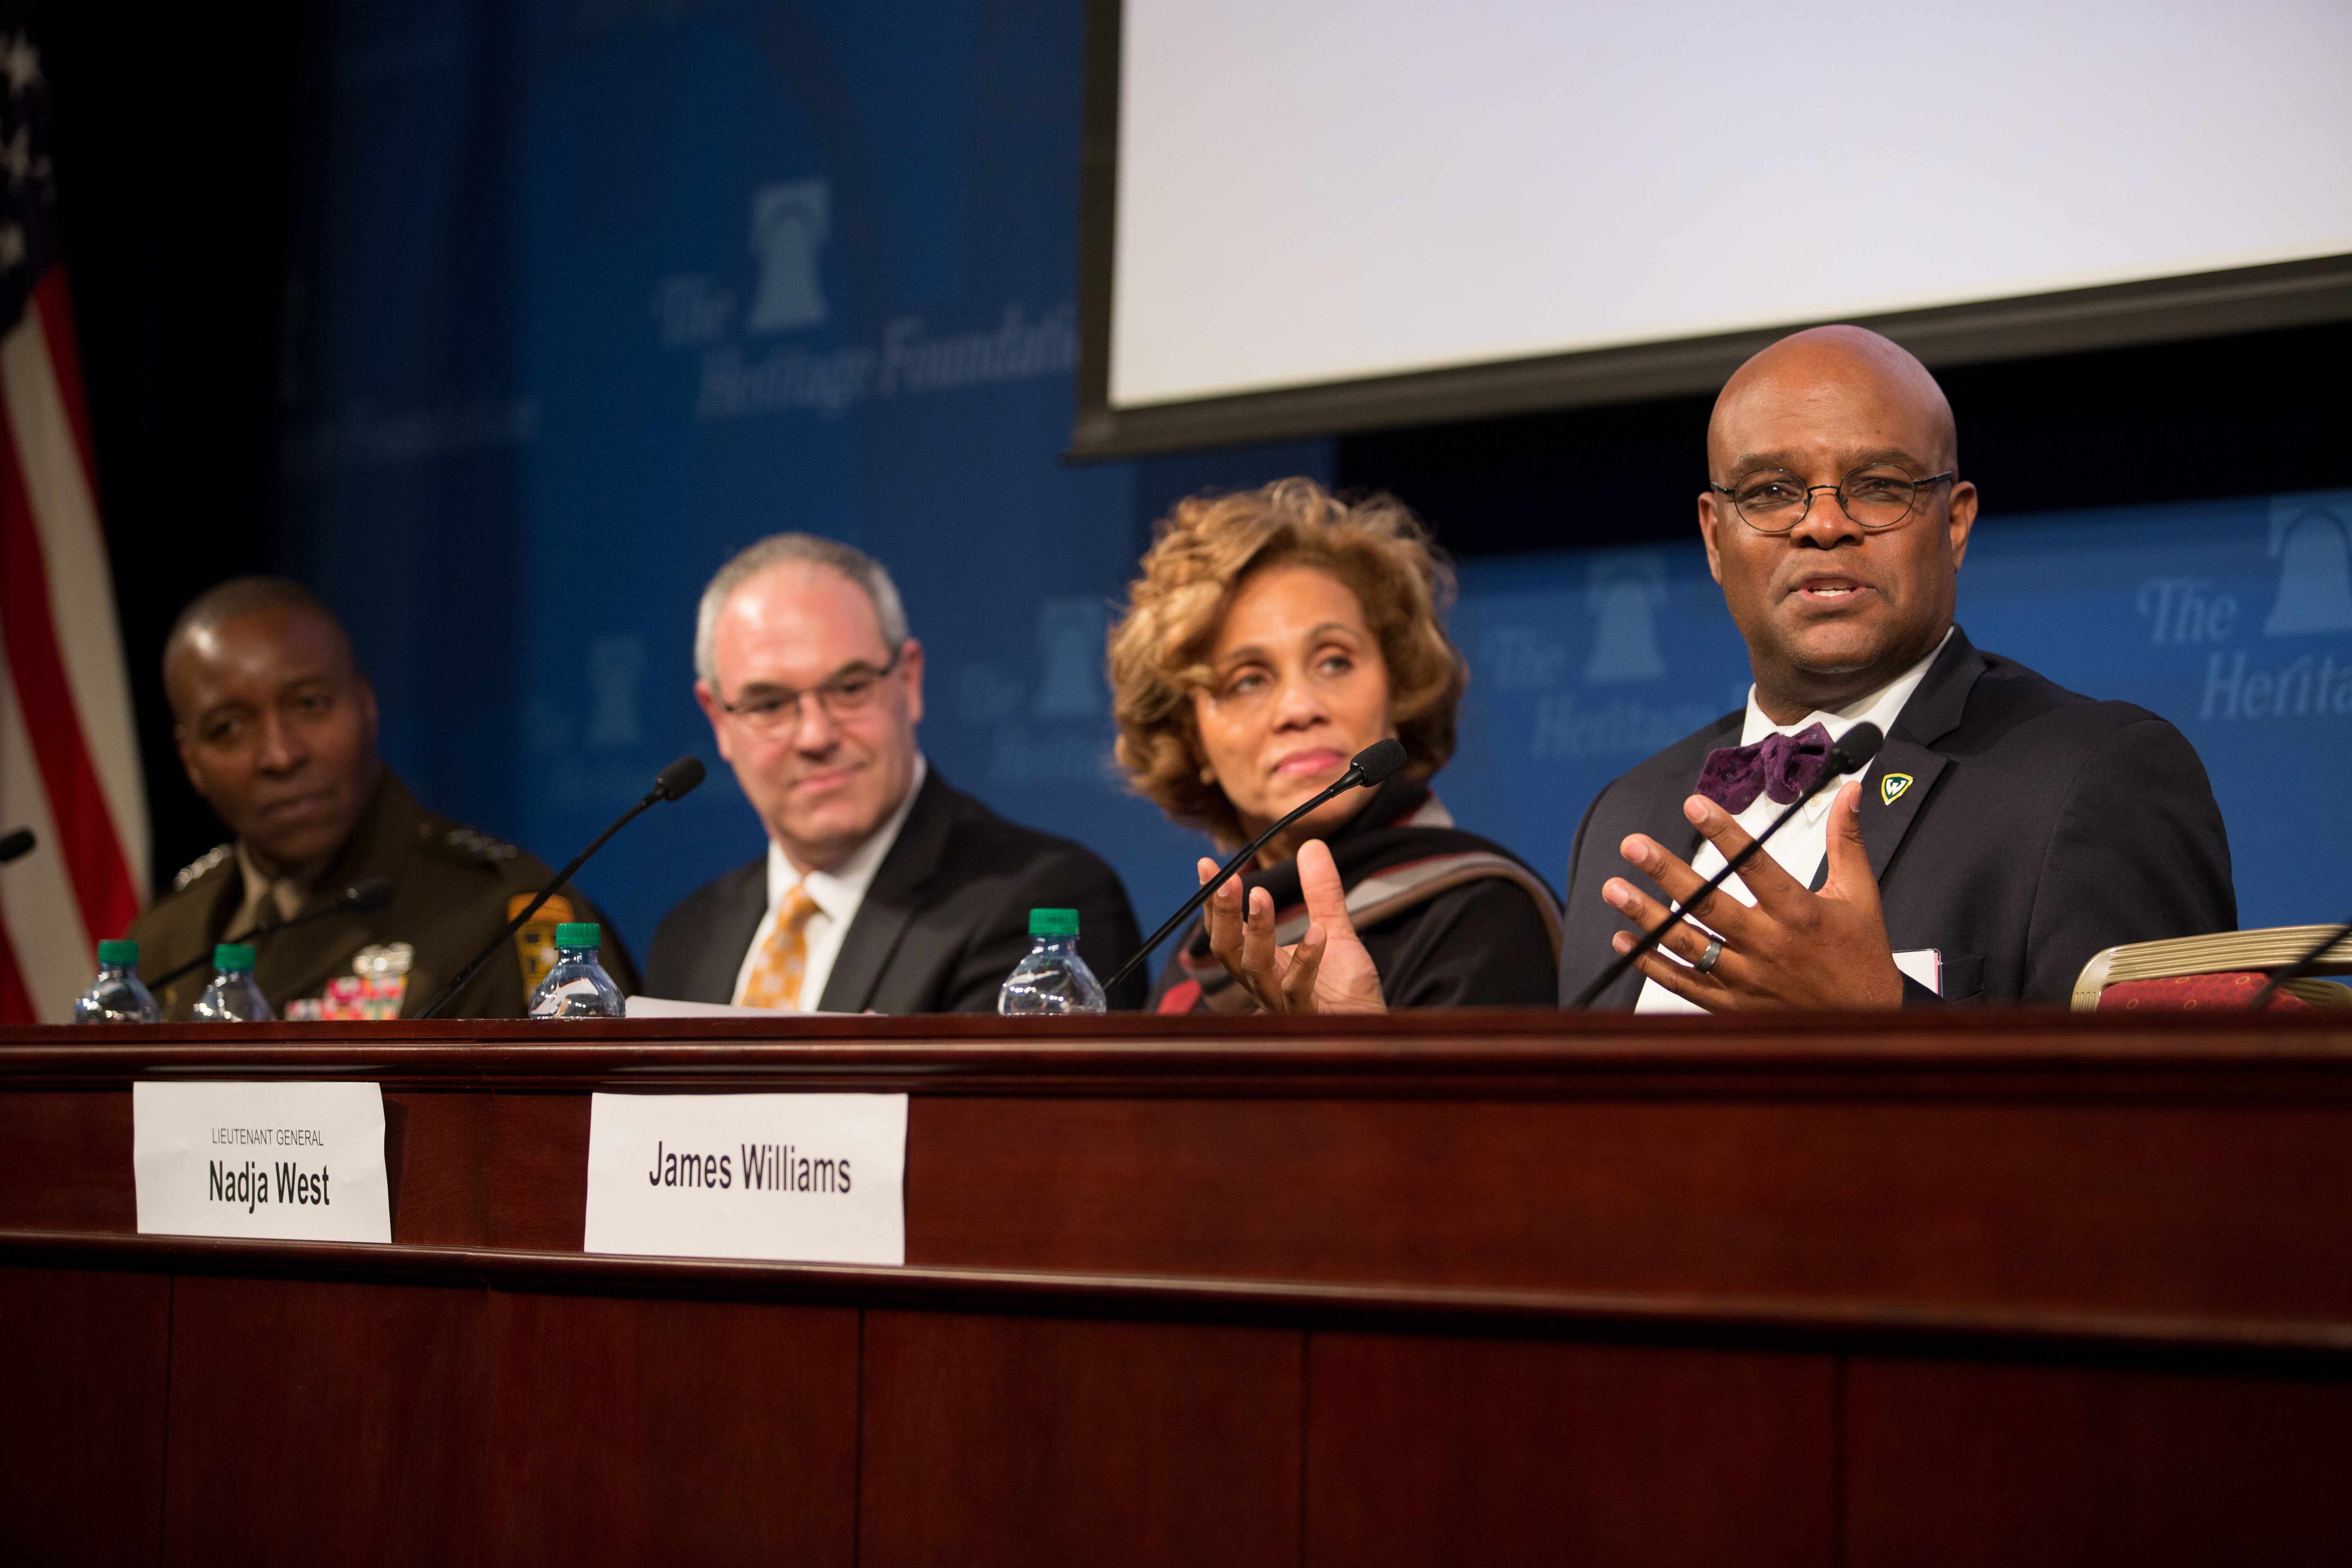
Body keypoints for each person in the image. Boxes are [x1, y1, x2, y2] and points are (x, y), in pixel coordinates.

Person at [1558, 324, 2234, 1009]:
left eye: (1879, 486)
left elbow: (2170, 1082)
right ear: (1713, 537)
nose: (1823, 524)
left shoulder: (2093, 780)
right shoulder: (1624, 816)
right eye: (1772, 491)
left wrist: (1880, 1016)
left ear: (1955, 524)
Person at [1107, 478, 1561, 1012]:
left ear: (1397, 690)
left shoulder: (1482, 915)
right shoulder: (1195, 963)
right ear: (1193, 739)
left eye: (1334, 661)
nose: (1300, 708)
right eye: (1248, 681)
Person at [646, 534, 1146, 1013]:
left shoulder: (1042, 903)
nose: (815, 736)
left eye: (850, 688)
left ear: (909, 680)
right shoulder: (689, 936)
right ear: (719, 720)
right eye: (769, 704)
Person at [127, 577, 639, 1019]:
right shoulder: (160, 942)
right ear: (190, 760)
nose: (280, 755)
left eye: (310, 704)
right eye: (230, 728)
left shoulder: (503, 918)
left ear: (366, 704)